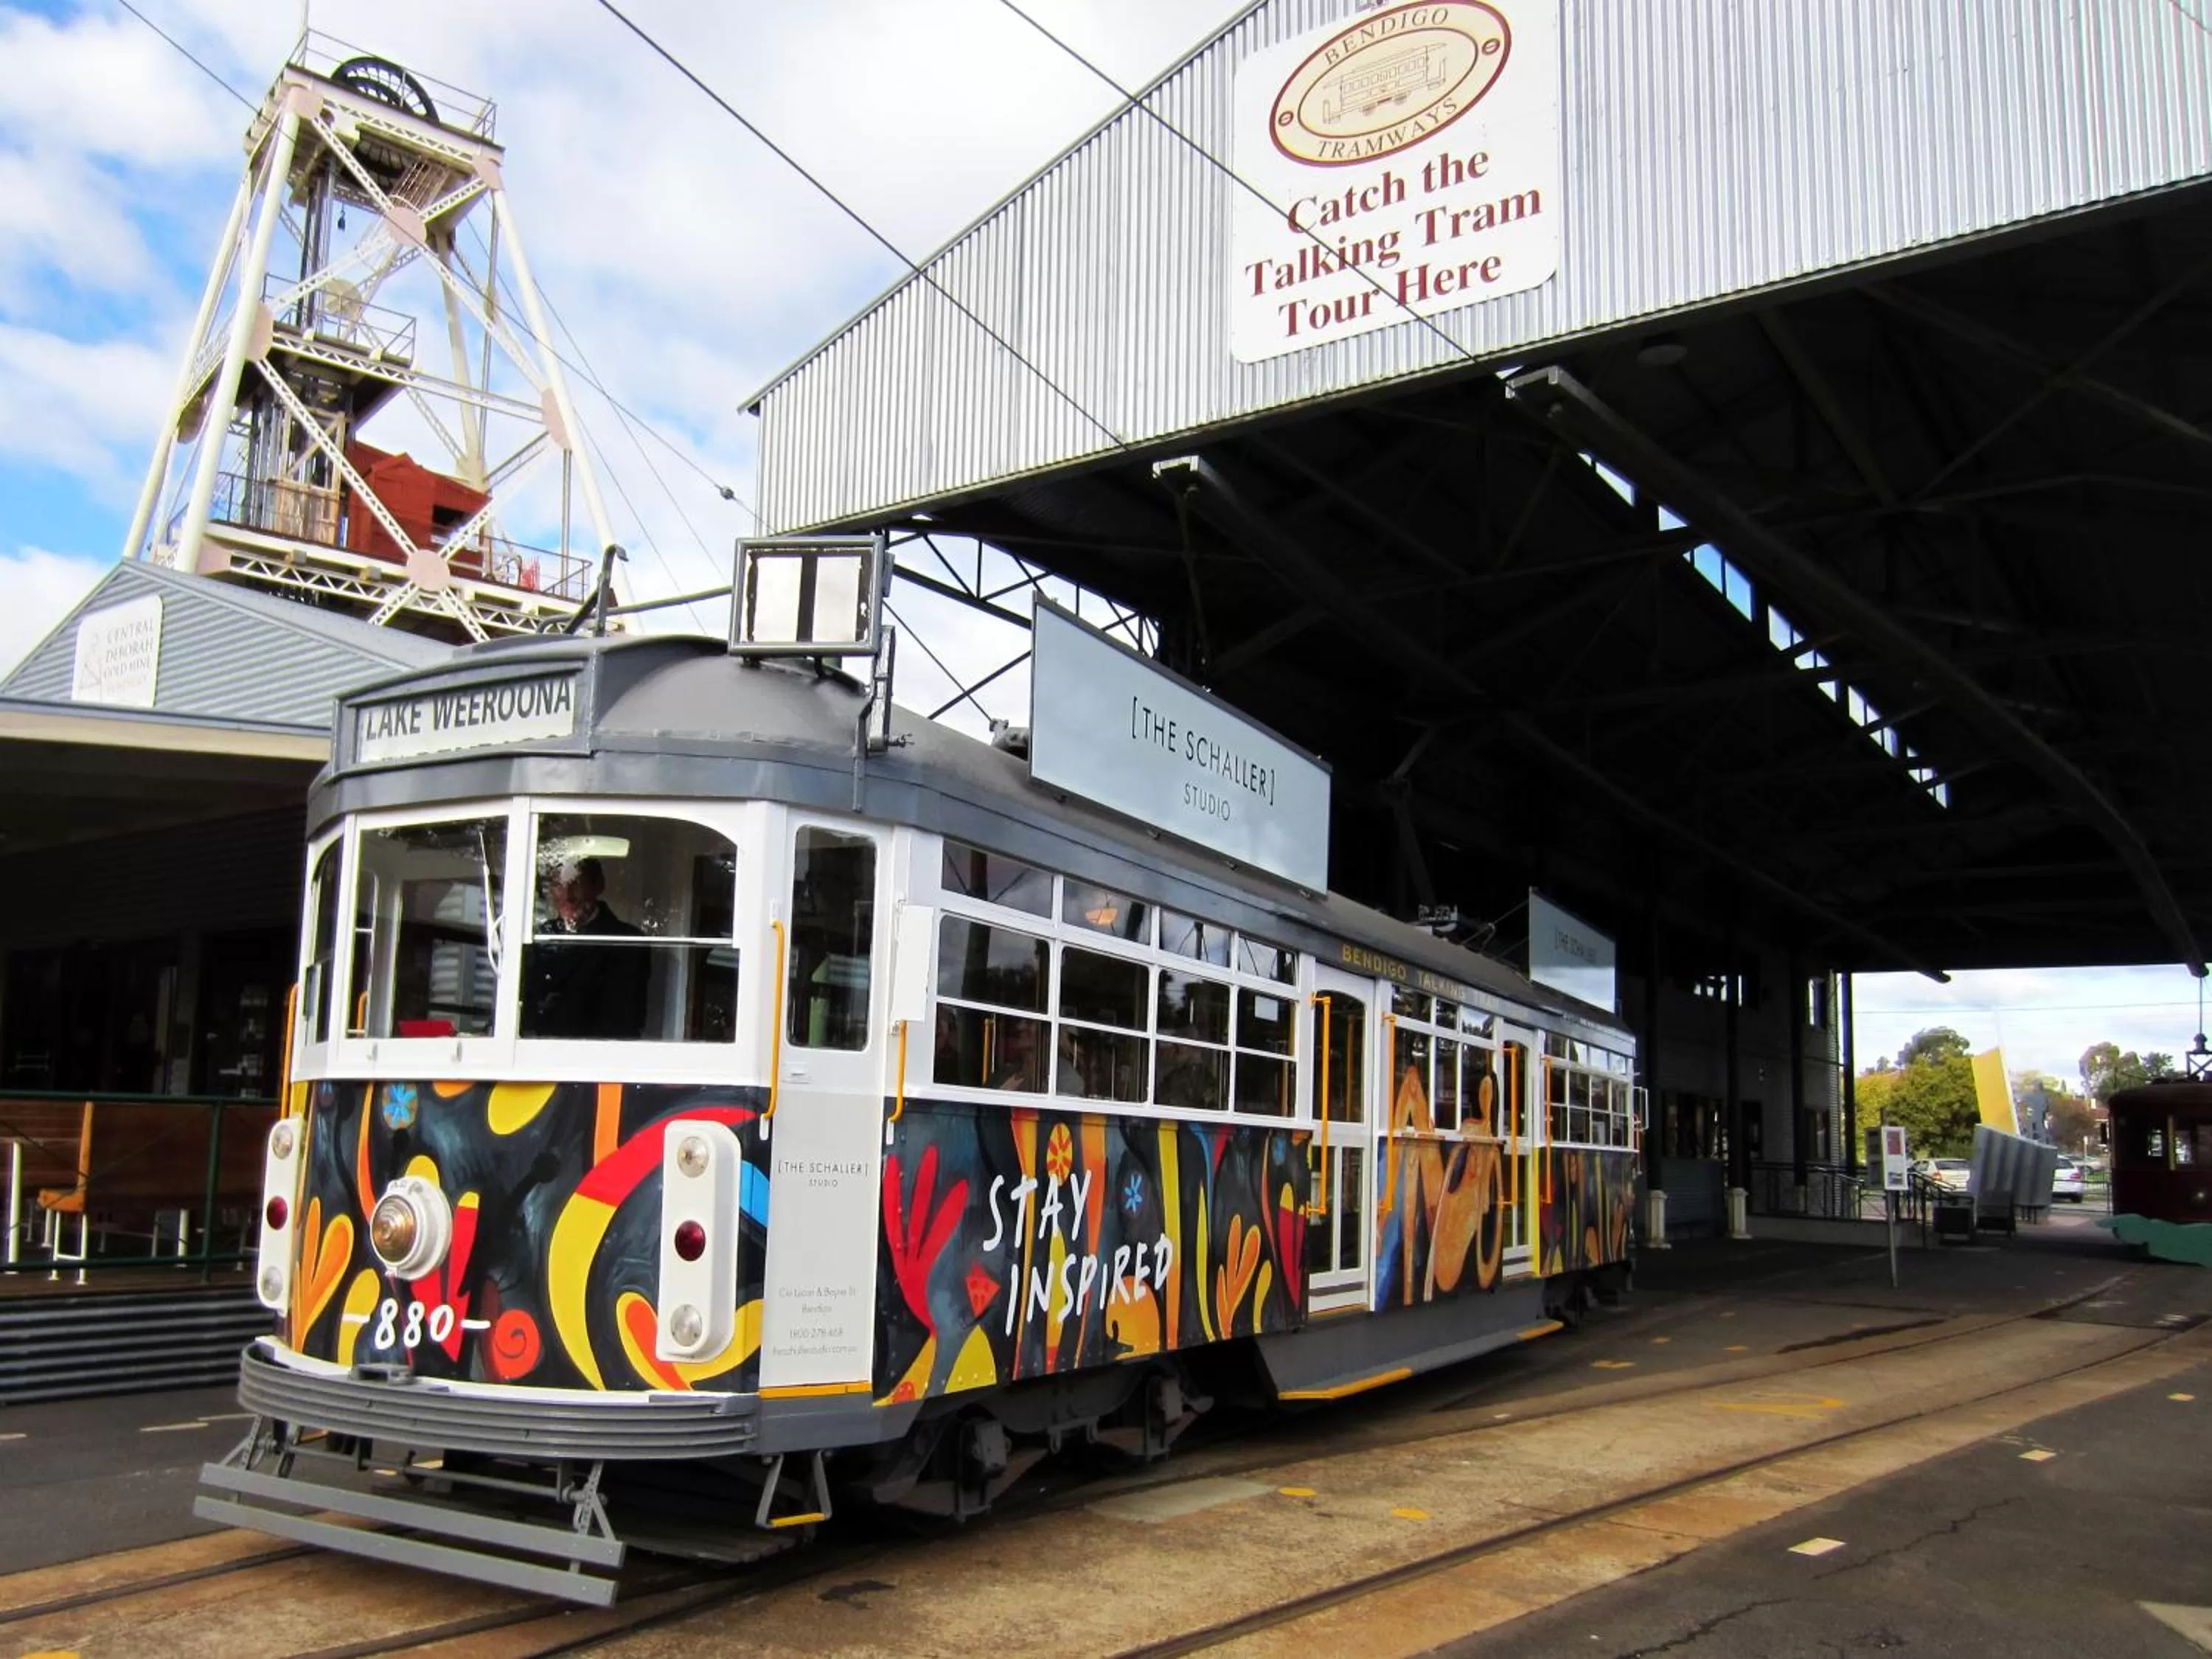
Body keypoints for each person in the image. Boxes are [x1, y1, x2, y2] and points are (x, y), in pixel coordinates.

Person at [525, 857, 650, 1038]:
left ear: (598, 886)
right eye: (558, 885)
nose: (567, 896)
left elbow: (622, 1018)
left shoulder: (627, 941)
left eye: (575, 884)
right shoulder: (540, 935)